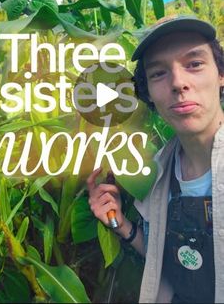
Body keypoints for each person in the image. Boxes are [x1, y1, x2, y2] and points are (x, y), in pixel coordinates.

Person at [87, 15, 224, 304]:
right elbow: (167, 256)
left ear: (221, 74)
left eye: (194, 64)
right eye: (158, 73)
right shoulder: (158, 170)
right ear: (147, 92)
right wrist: (120, 224)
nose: (178, 82)